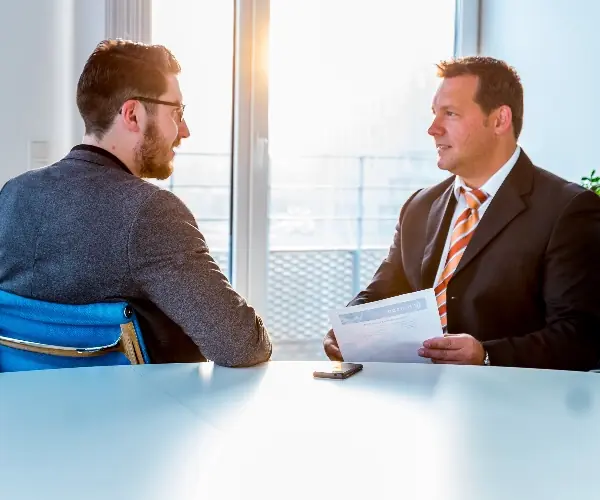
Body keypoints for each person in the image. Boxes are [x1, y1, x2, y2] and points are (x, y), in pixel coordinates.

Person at [0, 39, 272, 367]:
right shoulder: (151, 214)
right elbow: (242, 345)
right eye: (177, 112)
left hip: (24, 413)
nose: (184, 130)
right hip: (134, 416)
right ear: (132, 114)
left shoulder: (12, 195)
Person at [324, 56, 600, 371]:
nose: (432, 129)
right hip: (416, 401)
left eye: (450, 114)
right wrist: (347, 328)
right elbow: (383, 291)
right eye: (433, 114)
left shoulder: (568, 209)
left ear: (499, 120)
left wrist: (486, 355)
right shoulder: (420, 206)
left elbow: (582, 339)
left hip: (512, 406)